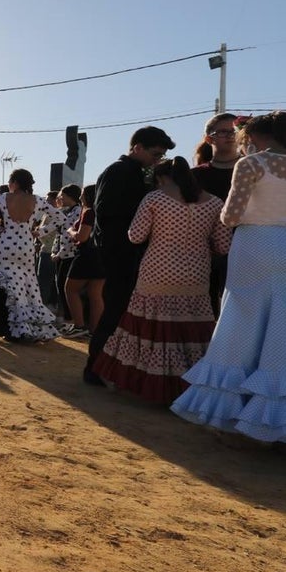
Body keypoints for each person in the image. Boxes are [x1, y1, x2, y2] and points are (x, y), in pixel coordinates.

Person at [171, 112, 286, 442]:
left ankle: (228, 409)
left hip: (254, 244)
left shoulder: (251, 165)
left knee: (241, 321)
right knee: (281, 326)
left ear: (256, 136)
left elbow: (230, 216)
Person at [92, 158, 230, 403]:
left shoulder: (155, 198)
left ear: (160, 178)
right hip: (196, 275)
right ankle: (192, 387)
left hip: (157, 272)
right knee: (190, 332)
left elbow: (136, 237)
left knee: (150, 331)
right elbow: (223, 245)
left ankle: (148, 387)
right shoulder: (215, 202)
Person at [82, 126, 175, 384]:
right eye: (155, 154)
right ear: (137, 148)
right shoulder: (120, 172)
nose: (157, 160)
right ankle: (95, 368)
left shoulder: (131, 172)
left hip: (123, 252)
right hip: (119, 253)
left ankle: (103, 367)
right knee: (115, 310)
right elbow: (106, 210)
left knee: (119, 311)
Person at [0, 169, 64, 341]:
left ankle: (12, 328)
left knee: (11, 284)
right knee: (29, 283)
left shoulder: (3, 198)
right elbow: (60, 218)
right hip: (27, 245)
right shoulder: (37, 200)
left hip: (7, 244)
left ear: (14, 182)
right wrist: (41, 231)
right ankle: (32, 328)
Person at [191, 113, 241, 317]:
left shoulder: (252, 168)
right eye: (224, 131)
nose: (231, 135)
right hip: (203, 251)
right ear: (210, 138)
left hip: (243, 248)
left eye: (234, 131)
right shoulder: (196, 175)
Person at [61, 185, 104, 338]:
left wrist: (71, 231)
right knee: (95, 294)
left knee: (70, 289)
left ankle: (79, 325)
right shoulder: (101, 211)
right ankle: (94, 330)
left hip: (86, 255)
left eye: (82, 194)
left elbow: (82, 236)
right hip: (101, 256)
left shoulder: (88, 212)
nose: (80, 197)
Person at [43, 184, 82, 325]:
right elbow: (59, 235)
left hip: (70, 255)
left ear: (70, 196)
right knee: (60, 285)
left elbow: (69, 237)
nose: (59, 198)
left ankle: (70, 319)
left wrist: (59, 254)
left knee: (65, 287)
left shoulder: (78, 212)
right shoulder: (67, 211)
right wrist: (55, 251)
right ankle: (66, 317)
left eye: (62, 195)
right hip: (61, 254)